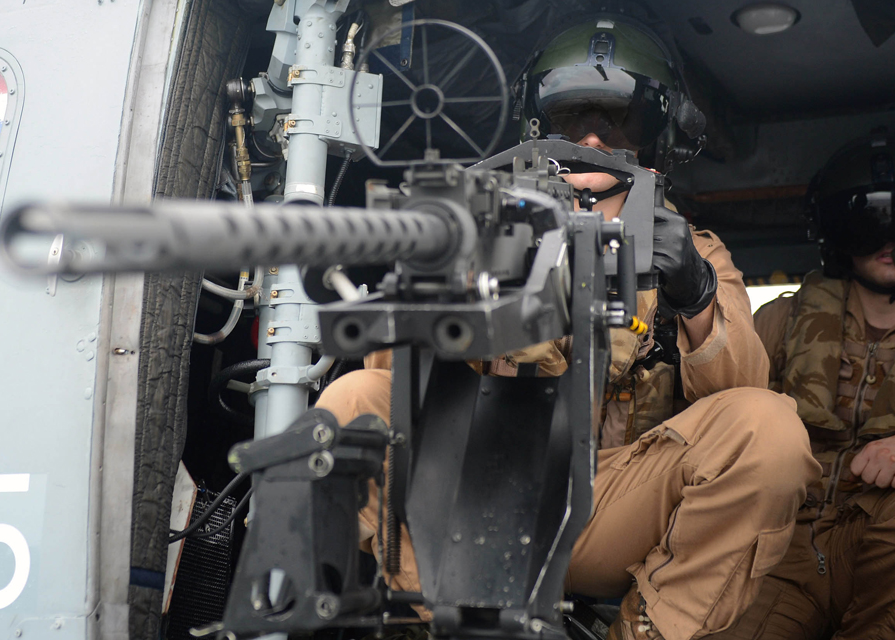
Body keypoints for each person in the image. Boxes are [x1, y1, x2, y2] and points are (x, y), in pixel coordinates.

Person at [317, 15, 821, 640]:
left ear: (655, 135)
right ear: (537, 126)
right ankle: (452, 624)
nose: (591, 138)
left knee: (771, 431)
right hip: (480, 489)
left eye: (618, 121)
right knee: (351, 405)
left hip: (612, 503)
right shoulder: (480, 225)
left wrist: (694, 294)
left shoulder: (695, 253)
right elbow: (396, 385)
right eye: (570, 119)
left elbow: (744, 401)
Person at [710, 129, 895, 640]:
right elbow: (717, 418)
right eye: (868, 223)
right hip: (786, 547)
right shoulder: (783, 322)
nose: (888, 241)